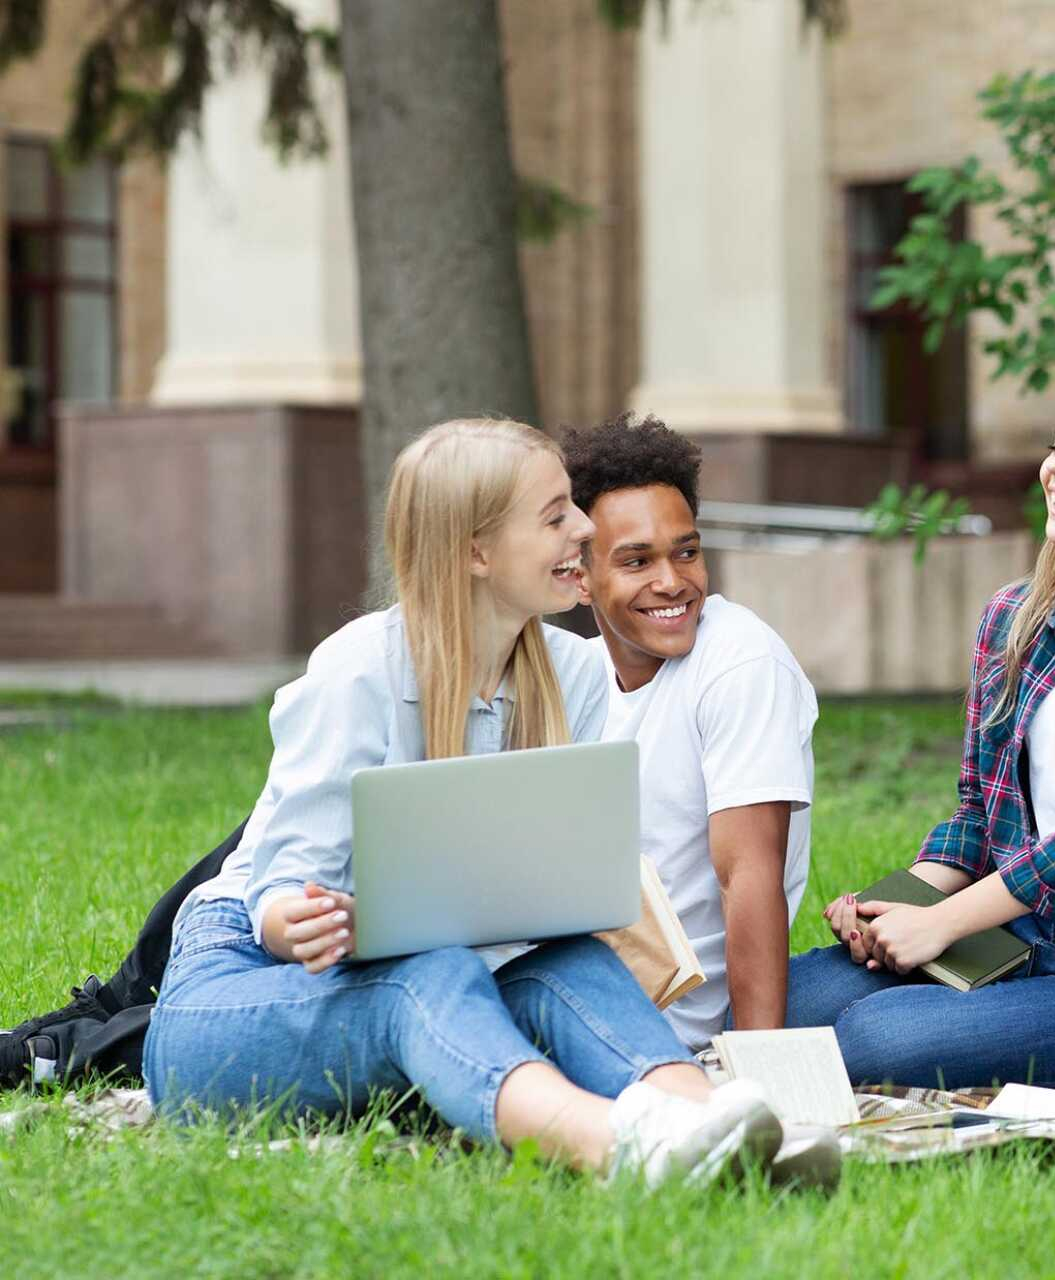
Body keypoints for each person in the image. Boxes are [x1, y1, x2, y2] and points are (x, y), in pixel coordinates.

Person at [3, 412, 820, 1085]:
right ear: (484, 554)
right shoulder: (368, 669)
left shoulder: (588, 673)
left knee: (446, 948)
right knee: (277, 861)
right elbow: (288, 892)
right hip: (286, 934)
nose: (586, 531)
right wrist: (307, 920)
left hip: (454, 942)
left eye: (685, 551)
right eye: (568, 520)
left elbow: (581, 888)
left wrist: (747, 1055)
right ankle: (94, 1027)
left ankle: (112, 1028)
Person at [784, 370, 1055, 1087]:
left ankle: (1019, 1036)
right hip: (1005, 934)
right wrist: (903, 900)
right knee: (791, 1002)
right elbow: (979, 811)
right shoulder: (1016, 621)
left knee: (873, 1039)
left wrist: (943, 924)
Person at [562, 413, 818, 1047]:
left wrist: (759, 1062)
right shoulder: (571, 678)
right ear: (580, 577)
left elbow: (750, 875)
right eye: (636, 561)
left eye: (687, 551)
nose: (673, 581)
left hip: (680, 1021)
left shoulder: (741, 660)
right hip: (579, 985)